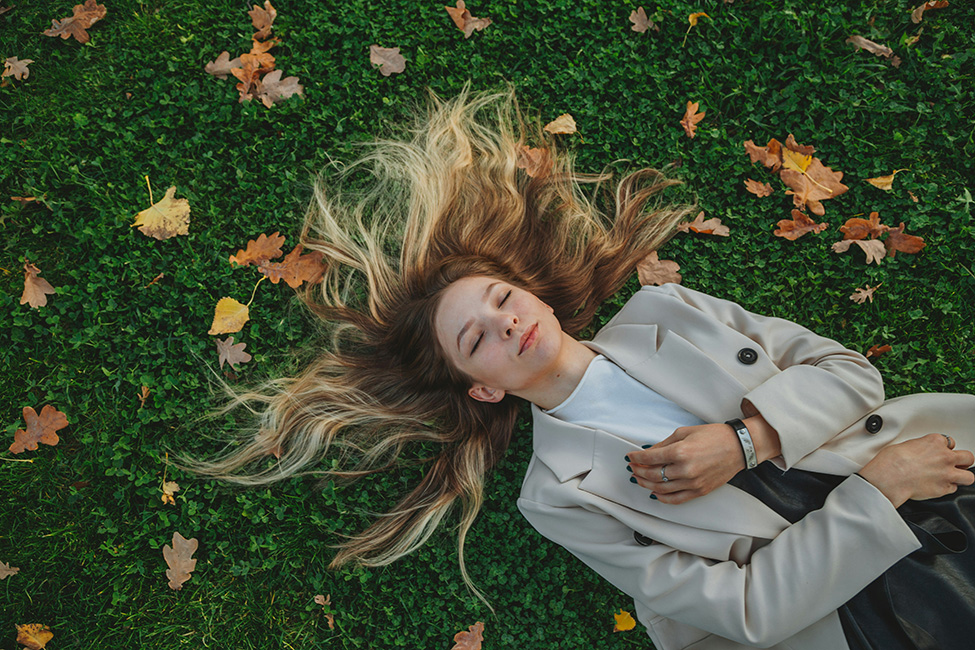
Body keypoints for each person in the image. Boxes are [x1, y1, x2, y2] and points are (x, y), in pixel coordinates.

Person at [186, 87, 975, 650]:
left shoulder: (671, 312)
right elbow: (743, 612)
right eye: (477, 339)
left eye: (499, 299)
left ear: (536, 297)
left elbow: (849, 376)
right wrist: (875, 496)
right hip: (861, 614)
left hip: (942, 480)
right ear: (484, 386)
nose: (502, 320)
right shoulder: (555, 497)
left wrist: (744, 440)